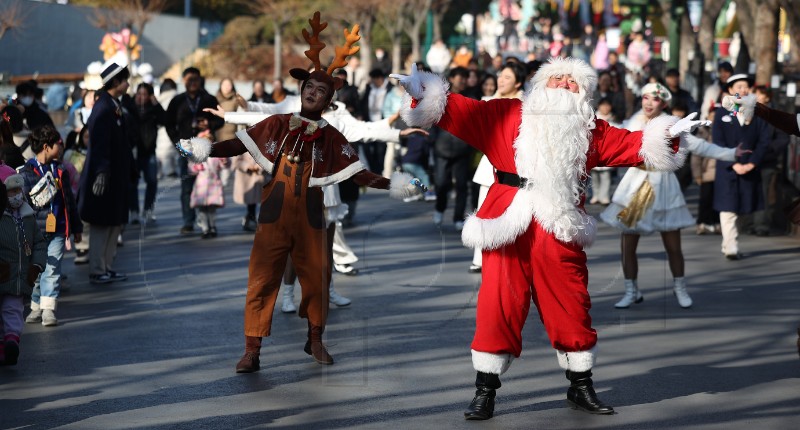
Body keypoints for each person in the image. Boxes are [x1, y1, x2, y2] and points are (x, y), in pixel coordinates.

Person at [391, 57, 703, 419]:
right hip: (507, 222)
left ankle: (581, 385)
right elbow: (459, 110)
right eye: (558, 79)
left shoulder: (591, 131)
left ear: (583, 93)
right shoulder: (507, 113)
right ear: (541, 85)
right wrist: (424, 93)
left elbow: (633, 145)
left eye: (574, 83)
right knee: (498, 305)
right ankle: (485, 391)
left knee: (571, 303)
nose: (565, 86)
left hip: (560, 225)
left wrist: (668, 134)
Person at [178, 13, 423, 373]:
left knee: (318, 279)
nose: (312, 92)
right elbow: (238, 146)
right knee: (260, 281)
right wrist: (204, 148)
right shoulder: (278, 122)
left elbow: (358, 175)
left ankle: (316, 338)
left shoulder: (333, 136)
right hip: (274, 214)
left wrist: (396, 185)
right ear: (301, 90)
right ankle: (252, 349)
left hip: (311, 216)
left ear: (328, 100)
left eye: (320, 90)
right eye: (309, 87)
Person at [600, 83, 740, 310]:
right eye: (645, 97)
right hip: (637, 187)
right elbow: (612, 137)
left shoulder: (673, 124)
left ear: (663, 103)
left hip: (663, 185)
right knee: (628, 244)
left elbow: (699, 146)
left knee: (673, 246)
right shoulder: (633, 122)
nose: (648, 102)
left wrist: (732, 153)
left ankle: (680, 288)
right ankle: (631, 290)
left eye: (654, 99)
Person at [19, 125, 83, 326]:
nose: (61, 148)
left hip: (57, 229)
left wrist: (76, 227)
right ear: (47, 147)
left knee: (52, 268)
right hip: (34, 232)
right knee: (37, 270)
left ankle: (48, 309)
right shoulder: (26, 173)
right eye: (58, 144)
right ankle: (36, 306)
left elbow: (70, 202)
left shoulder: (61, 171)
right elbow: (22, 206)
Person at [78, 63, 133, 285]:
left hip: (116, 175)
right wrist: (101, 171)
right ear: (115, 83)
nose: (128, 84)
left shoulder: (113, 105)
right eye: (125, 80)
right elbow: (99, 144)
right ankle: (97, 269)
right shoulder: (102, 108)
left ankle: (107, 266)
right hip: (104, 176)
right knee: (101, 224)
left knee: (114, 222)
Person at [711, 74, 771, 260]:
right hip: (727, 168)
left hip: (749, 168)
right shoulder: (721, 113)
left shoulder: (757, 112)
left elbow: (763, 140)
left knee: (743, 210)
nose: (743, 90)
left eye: (746, 86)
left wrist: (753, 162)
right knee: (728, 209)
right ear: (730, 90)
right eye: (739, 86)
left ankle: (728, 242)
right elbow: (718, 141)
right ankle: (731, 246)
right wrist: (732, 162)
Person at [164, 67, 223, 235]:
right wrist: (177, 144)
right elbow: (168, 124)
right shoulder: (177, 101)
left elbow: (221, 120)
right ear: (184, 81)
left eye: (196, 80)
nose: (192, 83)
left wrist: (210, 125)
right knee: (186, 186)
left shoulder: (209, 99)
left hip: (206, 148)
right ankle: (188, 221)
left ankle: (207, 221)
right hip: (186, 148)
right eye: (189, 80)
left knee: (208, 186)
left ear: (200, 80)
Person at [0, 174, 46, 365]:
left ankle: (11, 341)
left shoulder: (29, 217)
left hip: (21, 277)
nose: (16, 195)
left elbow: (39, 243)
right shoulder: (1, 217)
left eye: (19, 191)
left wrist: (36, 265)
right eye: (12, 191)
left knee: (13, 309)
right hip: (3, 274)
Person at [127, 83, 165, 224]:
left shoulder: (153, 109)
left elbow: (164, 119)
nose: (141, 97)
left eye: (144, 95)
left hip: (149, 151)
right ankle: (134, 211)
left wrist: (156, 104)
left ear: (150, 96)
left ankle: (148, 210)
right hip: (134, 151)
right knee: (132, 184)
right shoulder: (129, 107)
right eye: (139, 94)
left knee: (152, 181)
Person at [190, 116, 226, 239]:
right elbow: (191, 168)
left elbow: (224, 164)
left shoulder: (216, 155)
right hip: (201, 185)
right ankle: (205, 228)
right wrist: (196, 167)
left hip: (213, 184)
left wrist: (224, 161)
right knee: (202, 209)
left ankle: (213, 226)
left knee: (211, 209)